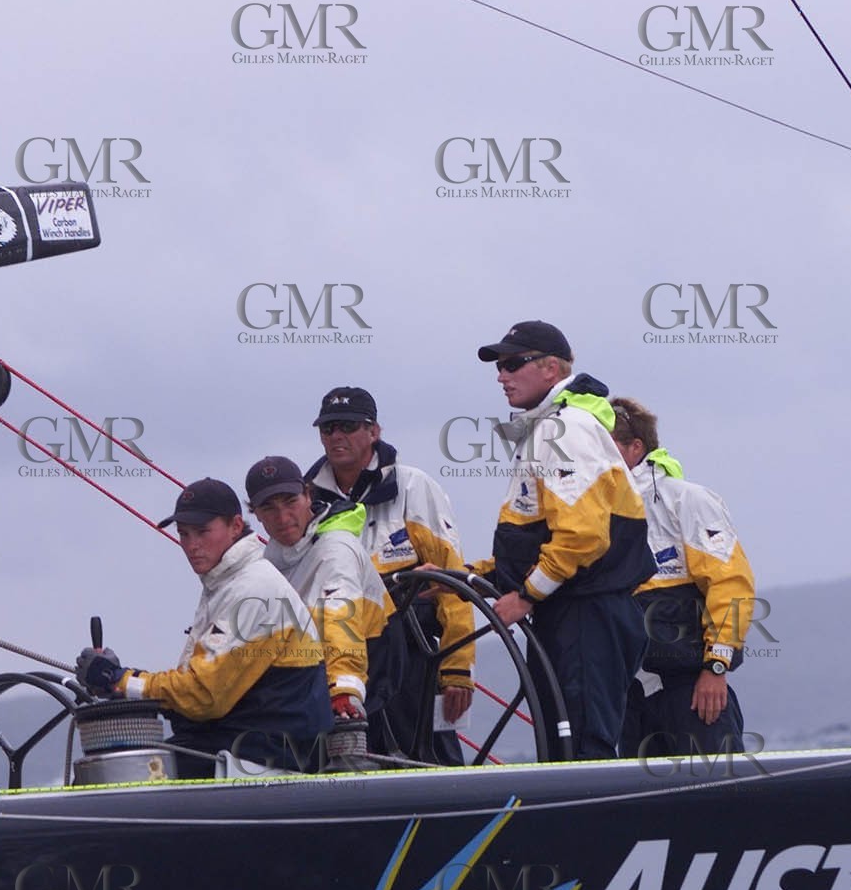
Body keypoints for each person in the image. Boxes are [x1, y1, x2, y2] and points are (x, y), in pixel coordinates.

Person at [465, 320, 654, 760]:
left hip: (585, 613)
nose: (501, 376)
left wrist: (526, 596)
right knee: (562, 748)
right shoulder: (551, 428)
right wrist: (466, 575)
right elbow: (539, 538)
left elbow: (582, 536)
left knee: (580, 751)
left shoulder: (563, 429)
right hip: (574, 610)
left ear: (551, 368)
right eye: (498, 367)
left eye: (513, 364)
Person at [76, 478, 330, 776]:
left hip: (268, 755)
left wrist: (120, 680)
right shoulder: (227, 583)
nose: (191, 545)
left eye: (202, 532)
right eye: (184, 534)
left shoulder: (253, 588)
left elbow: (204, 696)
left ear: (236, 526)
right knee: (118, 769)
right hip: (243, 742)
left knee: (125, 774)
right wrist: (121, 681)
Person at [304, 387, 476, 765]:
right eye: (328, 428)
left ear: (373, 431)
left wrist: (458, 669)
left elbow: (452, 582)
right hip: (339, 662)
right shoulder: (305, 502)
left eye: (347, 426)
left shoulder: (413, 487)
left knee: (431, 761)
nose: (336, 436)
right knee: (351, 764)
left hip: (413, 658)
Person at [608, 398, 753, 758]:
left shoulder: (687, 500)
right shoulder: (595, 512)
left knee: (719, 788)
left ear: (635, 447)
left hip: (693, 690)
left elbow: (731, 585)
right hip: (631, 697)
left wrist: (716, 667)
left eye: (605, 447)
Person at [244, 457, 393, 739]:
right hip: (308, 678)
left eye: (290, 502)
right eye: (269, 508)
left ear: (308, 496)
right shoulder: (269, 562)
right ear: (256, 514)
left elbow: (340, 620)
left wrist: (344, 690)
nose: (283, 517)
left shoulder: (336, 549)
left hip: (373, 678)